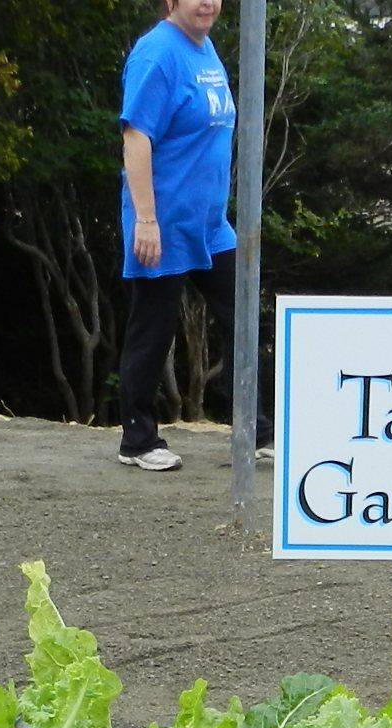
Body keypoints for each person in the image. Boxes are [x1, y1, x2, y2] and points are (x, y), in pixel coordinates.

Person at [115, 0, 269, 472]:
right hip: (162, 224)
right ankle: (138, 441)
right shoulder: (157, 53)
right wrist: (146, 220)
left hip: (209, 225)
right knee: (153, 330)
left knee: (245, 318)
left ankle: (257, 428)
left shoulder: (204, 48)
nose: (208, 3)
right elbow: (136, 137)